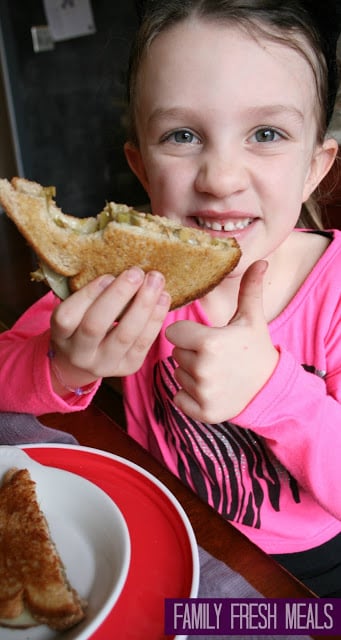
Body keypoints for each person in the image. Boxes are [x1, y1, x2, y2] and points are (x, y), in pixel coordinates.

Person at [1, 0, 341, 596]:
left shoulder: (334, 294)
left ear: (315, 166)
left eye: (267, 133)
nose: (220, 176)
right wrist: (67, 363)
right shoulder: (127, 271)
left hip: (308, 578)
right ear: (140, 164)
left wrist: (273, 389)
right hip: (160, 529)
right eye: (182, 135)